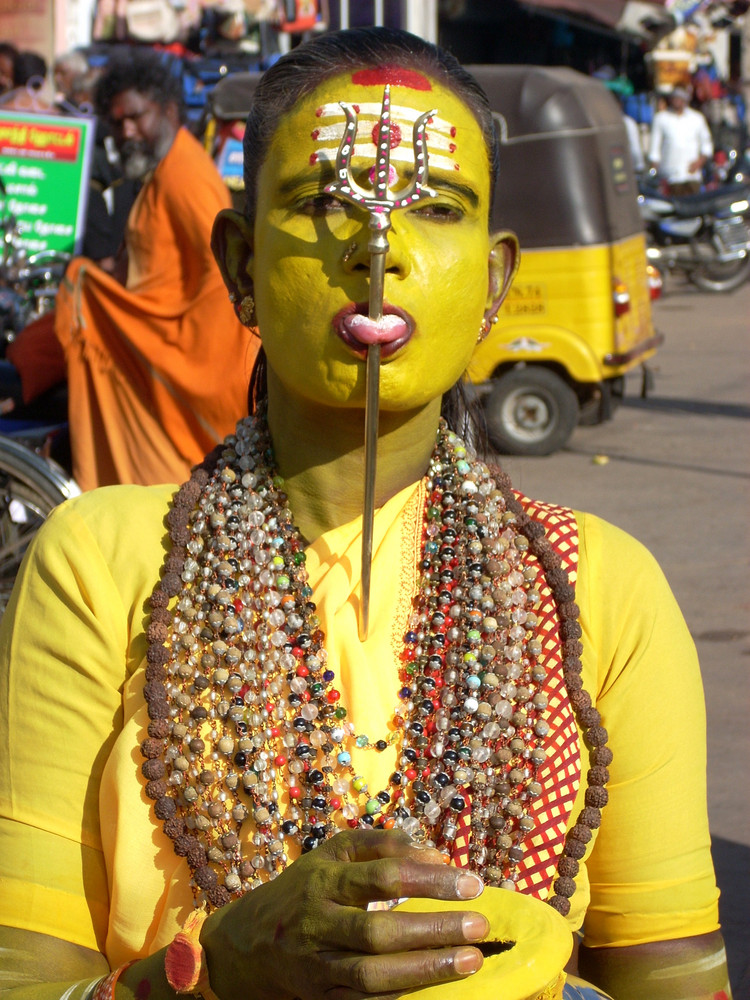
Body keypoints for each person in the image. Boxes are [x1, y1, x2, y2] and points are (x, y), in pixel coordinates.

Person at [0, 26, 730, 1000]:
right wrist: (210, 973)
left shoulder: (598, 588)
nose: (377, 247)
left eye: (434, 208)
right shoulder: (103, 561)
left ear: (493, 282)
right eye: (322, 203)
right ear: (243, 265)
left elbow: (675, 974)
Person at [54, 49, 259, 491]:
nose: (126, 131)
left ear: (168, 109)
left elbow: (218, 281)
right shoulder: (163, 171)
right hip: (166, 350)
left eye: (135, 117)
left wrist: (141, 326)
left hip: (193, 364)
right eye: (116, 122)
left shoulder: (184, 175)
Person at [649, 86, 714, 195]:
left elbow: (706, 145)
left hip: (691, 175)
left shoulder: (697, 118)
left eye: (680, 99)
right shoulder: (661, 118)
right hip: (670, 175)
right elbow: (654, 148)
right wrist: (655, 170)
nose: (677, 101)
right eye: (675, 98)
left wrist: (699, 163)